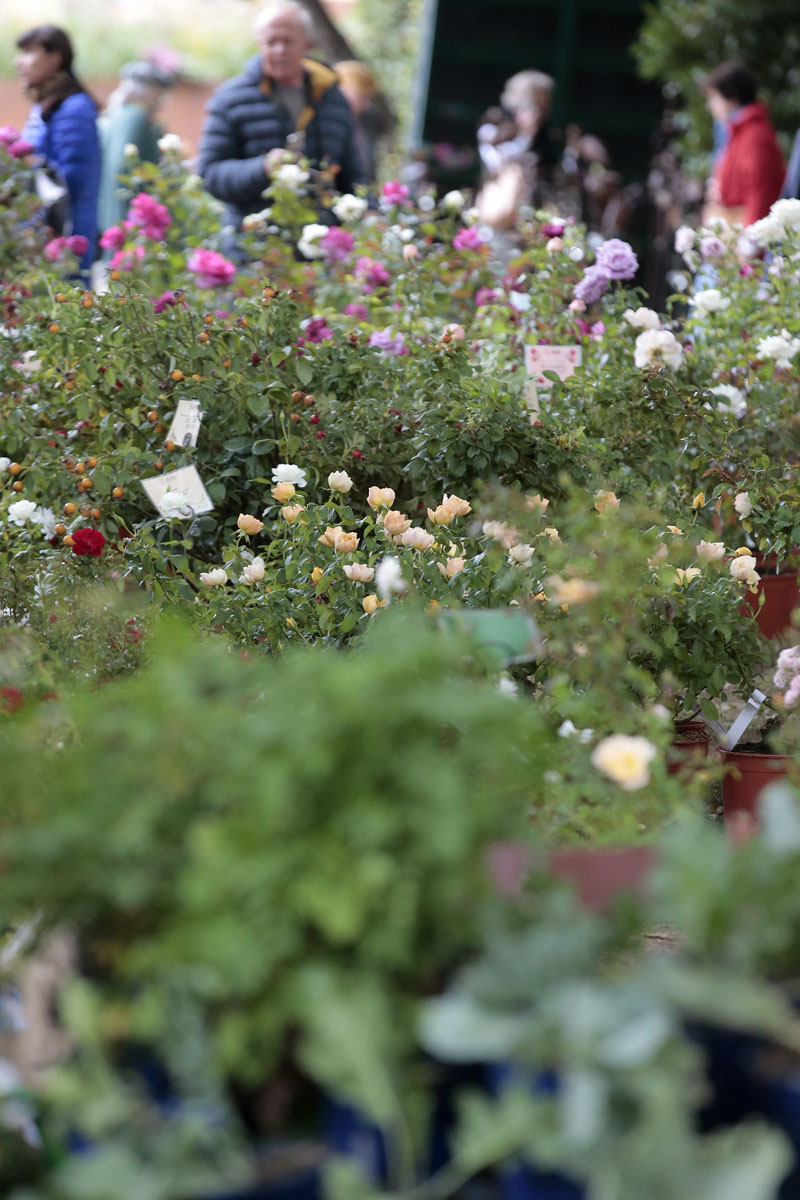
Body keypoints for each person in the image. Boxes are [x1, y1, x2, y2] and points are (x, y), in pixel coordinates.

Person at [197, 1, 367, 229]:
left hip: (321, 247)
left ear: (307, 44)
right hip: (253, 247)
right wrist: (262, 168)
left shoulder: (333, 99)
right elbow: (210, 175)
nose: (279, 50)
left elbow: (355, 175)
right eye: (271, 42)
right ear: (258, 44)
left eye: (288, 42)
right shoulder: (230, 99)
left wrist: (370, 210)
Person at [15, 25, 100, 273]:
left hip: (64, 239)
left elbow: (74, 184)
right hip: (45, 235)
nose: (19, 61)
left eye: (29, 52)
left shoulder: (73, 108)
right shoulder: (50, 104)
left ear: (56, 57)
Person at [702, 62, 785, 229]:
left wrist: (750, 242)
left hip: (744, 230)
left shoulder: (755, 134)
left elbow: (760, 191)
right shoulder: (738, 131)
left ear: (731, 98)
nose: (710, 106)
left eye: (714, 98)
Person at [98, 61, 175, 233]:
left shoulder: (112, 117)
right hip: (132, 220)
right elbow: (135, 171)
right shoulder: (136, 119)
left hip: (109, 221)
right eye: (160, 93)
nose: (161, 101)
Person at [334, 59, 392, 184]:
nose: (367, 104)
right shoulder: (326, 121)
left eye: (368, 98)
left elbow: (368, 164)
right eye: (362, 97)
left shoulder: (367, 120)